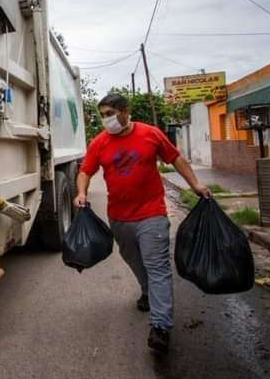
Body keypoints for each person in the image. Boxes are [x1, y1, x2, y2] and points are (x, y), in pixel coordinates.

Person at [73, 93, 210, 353]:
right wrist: (81, 192)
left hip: (152, 214)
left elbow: (176, 158)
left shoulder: (151, 134)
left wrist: (195, 184)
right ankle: (147, 292)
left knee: (157, 266)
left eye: (110, 113)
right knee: (133, 259)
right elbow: (85, 171)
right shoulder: (100, 142)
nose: (106, 120)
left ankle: (160, 326)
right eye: (102, 115)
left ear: (125, 112)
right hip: (119, 217)